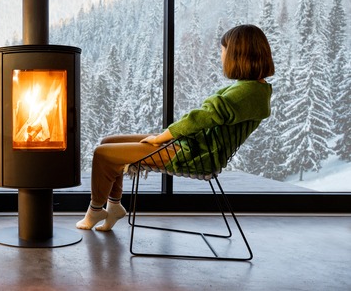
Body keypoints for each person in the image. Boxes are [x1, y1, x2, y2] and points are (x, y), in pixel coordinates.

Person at [76, 24, 275, 232]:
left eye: (223, 50)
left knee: (102, 153)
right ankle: (114, 206)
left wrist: (161, 137)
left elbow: (204, 116)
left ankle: (95, 209)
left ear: (238, 54)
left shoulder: (250, 92)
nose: (221, 55)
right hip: (191, 144)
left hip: (193, 154)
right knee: (108, 142)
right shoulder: (251, 87)